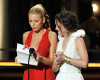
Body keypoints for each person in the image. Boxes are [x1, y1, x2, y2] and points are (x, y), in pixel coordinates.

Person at [15, 4, 57, 80]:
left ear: (43, 20)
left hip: (44, 74)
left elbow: (53, 61)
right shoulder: (26, 35)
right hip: (28, 75)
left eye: (36, 21)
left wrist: (40, 58)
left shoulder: (51, 35)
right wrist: (20, 60)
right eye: (30, 21)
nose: (33, 24)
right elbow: (26, 63)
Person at [52, 11, 88, 80]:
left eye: (58, 25)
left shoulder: (77, 40)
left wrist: (64, 58)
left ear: (65, 25)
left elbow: (84, 63)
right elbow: (54, 69)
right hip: (60, 77)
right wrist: (57, 61)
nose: (56, 28)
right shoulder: (59, 42)